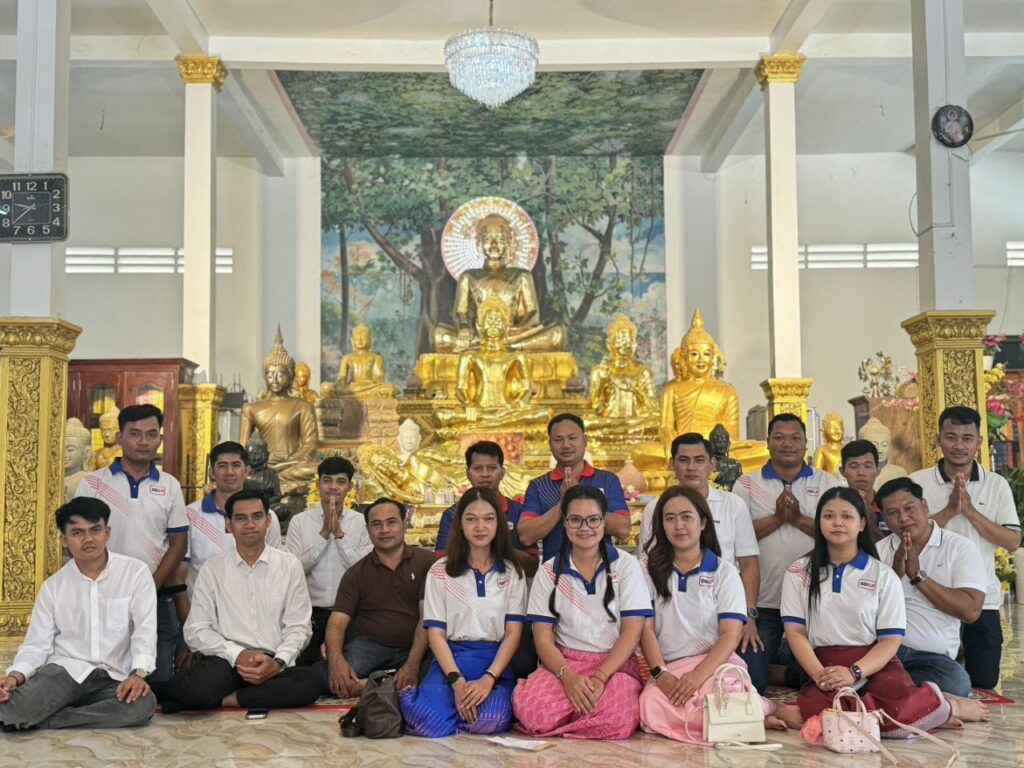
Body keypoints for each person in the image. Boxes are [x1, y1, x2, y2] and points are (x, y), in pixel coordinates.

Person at [781, 488, 955, 735]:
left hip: (873, 664)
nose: (838, 523)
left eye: (846, 516)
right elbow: (795, 632)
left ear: (862, 523)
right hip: (824, 664)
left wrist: (854, 672)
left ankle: (950, 706)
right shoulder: (799, 571)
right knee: (821, 714)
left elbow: (890, 640)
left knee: (900, 711)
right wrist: (821, 676)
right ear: (819, 522)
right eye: (829, 516)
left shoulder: (883, 575)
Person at [638, 487, 801, 741]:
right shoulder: (646, 568)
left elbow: (730, 634)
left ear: (703, 522)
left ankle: (766, 708)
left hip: (715, 663)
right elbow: (644, 628)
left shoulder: (724, 572)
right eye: (670, 518)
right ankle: (749, 716)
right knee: (649, 707)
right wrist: (661, 674)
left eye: (686, 517)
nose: (679, 526)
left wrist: (697, 676)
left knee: (723, 694)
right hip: (670, 666)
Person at [0, 498, 157, 731]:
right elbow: (37, 645)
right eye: (77, 533)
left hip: (113, 677)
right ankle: (43, 715)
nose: (88, 539)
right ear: (64, 540)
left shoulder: (135, 573)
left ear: (107, 533)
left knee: (143, 705)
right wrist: (15, 676)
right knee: (10, 710)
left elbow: (145, 631)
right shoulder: (53, 587)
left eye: (95, 530)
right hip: (64, 673)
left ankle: (48, 720)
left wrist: (138, 674)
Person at [161, 490, 321, 712]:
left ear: (268, 521)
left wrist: (278, 662)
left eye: (257, 516)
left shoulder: (289, 566)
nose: (250, 524)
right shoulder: (213, 569)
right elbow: (196, 629)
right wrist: (238, 655)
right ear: (229, 525)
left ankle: (227, 700)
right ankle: (248, 696)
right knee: (193, 686)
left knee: (311, 683)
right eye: (240, 518)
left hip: (273, 662)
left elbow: (299, 627)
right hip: (227, 663)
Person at [512, 485, 653, 739]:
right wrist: (568, 679)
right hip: (564, 663)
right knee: (535, 714)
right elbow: (542, 638)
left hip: (614, 664)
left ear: (604, 521)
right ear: (565, 523)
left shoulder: (626, 566)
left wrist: (600, 677)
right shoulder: (549, 571)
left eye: (593, 519)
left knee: (618, 719)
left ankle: (571, 721)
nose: (585, 527)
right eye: (575, 520)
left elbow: (632, 631)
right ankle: (584, 721)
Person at [638, 433, 766, 692]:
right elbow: (649, 568)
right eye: (683, 460)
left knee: (756, 676)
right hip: (670, 619)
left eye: (699, 460)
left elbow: (748, 564)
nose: (691, 467)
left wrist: (748, 616)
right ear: (672, 464)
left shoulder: (733, 505)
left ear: (713, 464)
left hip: (723, 611)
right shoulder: (655, 509)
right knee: (651, 699)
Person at [75, 403, 189, 684]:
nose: (144, 441)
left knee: (158, 680)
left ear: (159, 439)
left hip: (157, 596)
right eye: (135, 434)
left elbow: (178, 544)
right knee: (105, 676)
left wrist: (149, 587)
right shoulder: (93, 484)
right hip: (104, 594)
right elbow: (80, 539)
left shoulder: (170, 486)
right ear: (120, 437)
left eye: (151, 435)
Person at [400, 488, 527, 736]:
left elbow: (513, 633)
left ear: (499, 524)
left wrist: (488, 679)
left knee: (492, 720)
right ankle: (429, 700)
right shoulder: (440, 571)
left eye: (488, 518)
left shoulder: (512, 572)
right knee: (428, 723)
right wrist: (456, 682)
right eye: (471, 519)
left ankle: (457, 712)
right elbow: (436, 634)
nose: (480, 527)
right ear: (460, 524)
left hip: (493, 662)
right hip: (451, 660)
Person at [910, 406, 1020, 690]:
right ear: (939, 440)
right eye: (951, 437)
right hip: (929, 595)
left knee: (984, 681)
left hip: (981, 598)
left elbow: (1012, 541)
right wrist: (949, 511)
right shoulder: (917, 482)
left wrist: (969, 510)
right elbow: (906, 535)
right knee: (931, 678)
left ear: (979, 442)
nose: (959, 445)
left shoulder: (996, 485)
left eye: (967, 438)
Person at [732, 413, 839, 679]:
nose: (787, 444)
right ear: (767, 442)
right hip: (763, 602)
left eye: (795, 438)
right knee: (753, 674)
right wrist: (778, 519)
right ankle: (776, 668)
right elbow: (736, 538)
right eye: (779, 438)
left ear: (805, 444)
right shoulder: (746, 484)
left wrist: (799, 519)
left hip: (812, 600)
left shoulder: (827, 483)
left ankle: (782, 672)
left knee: (812, 673)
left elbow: (839, 535)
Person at [876, 478, 989, 720]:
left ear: (925, 506)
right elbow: (863, 611)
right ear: (884, 518)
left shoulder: (959, 547)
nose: (903, 518)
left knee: (957, 682)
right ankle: (932, 702)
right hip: (885, 652)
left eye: (909, 508)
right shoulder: (878, 551)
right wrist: (893, 575)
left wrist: (918, 577)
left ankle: (888, 693)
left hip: (930, 659)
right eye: (893, 513)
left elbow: (971, 611)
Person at [321, 498, 433, 698]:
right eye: (377, 524)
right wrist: (336, 660)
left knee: (438, 674)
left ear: (404, 524)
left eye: (391, 522)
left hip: (418, 647)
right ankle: (389, 683)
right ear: (368, 529)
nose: (385, 530)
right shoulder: (356, 573)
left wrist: (412, 664)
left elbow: (427, 618)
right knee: (328, 677)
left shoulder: (428, 562)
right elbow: (337, 622)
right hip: (371, 647)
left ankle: (367, 685)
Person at [286, 457, 373, 666]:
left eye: (341, 482)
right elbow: (293, 570)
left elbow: (364, 571)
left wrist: (340, 536)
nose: (334, 487)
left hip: (351, 616)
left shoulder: (362, 523)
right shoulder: (300, 522)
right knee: (302, 671)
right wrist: (323, 535)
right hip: (309, 616)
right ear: (318, 485)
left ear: (350, 487)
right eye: (327, 481)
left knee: (347, 669)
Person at [518, 414, 631, 561]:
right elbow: (526, 536)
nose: (566, 445)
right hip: (555, 570)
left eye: (572, 438)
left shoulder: (607, 480)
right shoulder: (539, 486)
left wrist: (579, 501)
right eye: (558, 440)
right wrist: (563, 503)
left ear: (585, 440)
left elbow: (623, 529)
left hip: (601, 569)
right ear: (550, 444)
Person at [185, 441, 282, 596]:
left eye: (236, 465)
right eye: (222, 466)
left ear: (247, 470)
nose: (229, 472)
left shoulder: (265, 517)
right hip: (204, 606)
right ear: (211, 473)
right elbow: (179, 576)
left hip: (255, 605)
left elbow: (276, 569)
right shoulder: (189, 515)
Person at [436, 441, 532, 557]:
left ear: (502, 473)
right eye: (478, 468)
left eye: (492, 468)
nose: (485, 474)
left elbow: (533, 562)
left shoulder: (520, 512)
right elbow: (442, 560)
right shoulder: (452, 514)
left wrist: (499, 553)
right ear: (468, 474)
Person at [839, 439, 886, 538]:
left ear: (878, 471)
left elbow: (896, 546)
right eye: (854, 466)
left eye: (867, 466)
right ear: (842, 471)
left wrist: (872, 526)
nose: (861, 472)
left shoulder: (888, 507)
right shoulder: (833, 507)